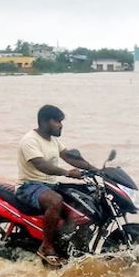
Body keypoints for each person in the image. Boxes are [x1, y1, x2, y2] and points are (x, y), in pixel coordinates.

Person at [16, 105, 98, 267]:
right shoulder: (30, 140)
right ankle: (46, 246)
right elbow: (41, 165)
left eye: (61, 122)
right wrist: (67, 173)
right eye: (58, 121)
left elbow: (69, 157)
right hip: (29, 186)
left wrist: (96, 170)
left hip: (51, 185)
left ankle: (72, 244)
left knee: (85, 203)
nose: (61, 125)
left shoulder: (53, 141)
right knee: (56, 201)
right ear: (45, 121)